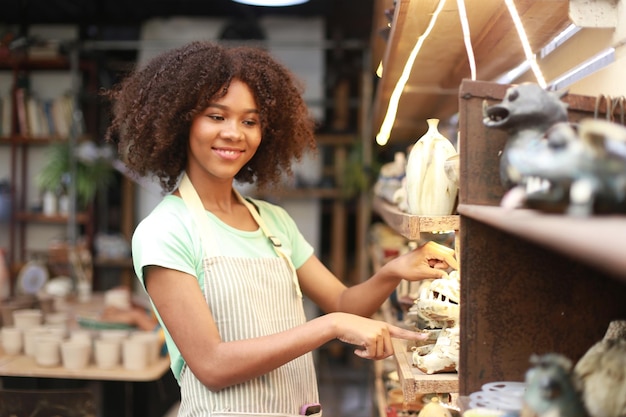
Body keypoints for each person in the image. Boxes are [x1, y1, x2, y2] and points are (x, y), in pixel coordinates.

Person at [104, 41, 458, 417]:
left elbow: (343, 303)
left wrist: (392, 271)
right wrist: (330, 327)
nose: (234, 133)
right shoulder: (165, 231)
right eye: (216, 116)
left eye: (250, 121)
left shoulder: (272, 222)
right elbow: (212, 366)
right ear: (180, 121)